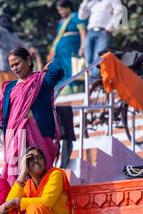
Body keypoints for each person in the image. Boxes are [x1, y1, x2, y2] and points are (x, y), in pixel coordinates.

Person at [0, 47, 64, 186]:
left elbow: (58, 71)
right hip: (13, 135)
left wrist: (49, 64)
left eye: (17, 63)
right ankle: (16, 204)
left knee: (40, 169)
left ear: (28, 60)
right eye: (12, 66)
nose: (15, 68)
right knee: (15, 174)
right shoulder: (8, 87)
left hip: (38, 133)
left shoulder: (41, 80)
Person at [0, 147, 81, 214]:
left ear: (44, 162)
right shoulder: (27, 185)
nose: (36, 160)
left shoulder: (56, 174)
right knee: (9, 213)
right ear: (25, 164)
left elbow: (46, 202)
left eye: (39, 157)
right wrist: (23, 173)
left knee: (34, 209)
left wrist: (17, 202)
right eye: (31, 158)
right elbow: (8, 203)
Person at [51, 0, 86, 168]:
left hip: (72, 47)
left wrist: (82, 47)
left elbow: (82, 32)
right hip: (61, 51)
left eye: (61, 9)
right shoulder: (60, 23)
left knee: (72, 69)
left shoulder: (75, 17)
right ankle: (64, 89)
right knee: (62, 71)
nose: (60, 12)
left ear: (67, 8)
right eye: (58, 10)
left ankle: (74, 88)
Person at [0, 14, 43, 109]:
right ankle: (1, 105)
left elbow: (21, 44)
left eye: (7, 22)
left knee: (11, 84)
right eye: (3, 22)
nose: (6, 24)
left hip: (12, 63)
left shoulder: (13, 35)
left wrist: (30, 47)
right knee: (1, 85)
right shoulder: (2, 31)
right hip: (1, 63)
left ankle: (10, 103)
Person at [78, 0, 124, 80]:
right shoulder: (92, 2)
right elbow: (81, 16)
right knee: (88, 59)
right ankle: (90, 83)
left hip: (103, 33)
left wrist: (109, 28)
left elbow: (119, 11)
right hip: (90, 32)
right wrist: (85, 2)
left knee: (98, 59)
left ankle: (95, 82)